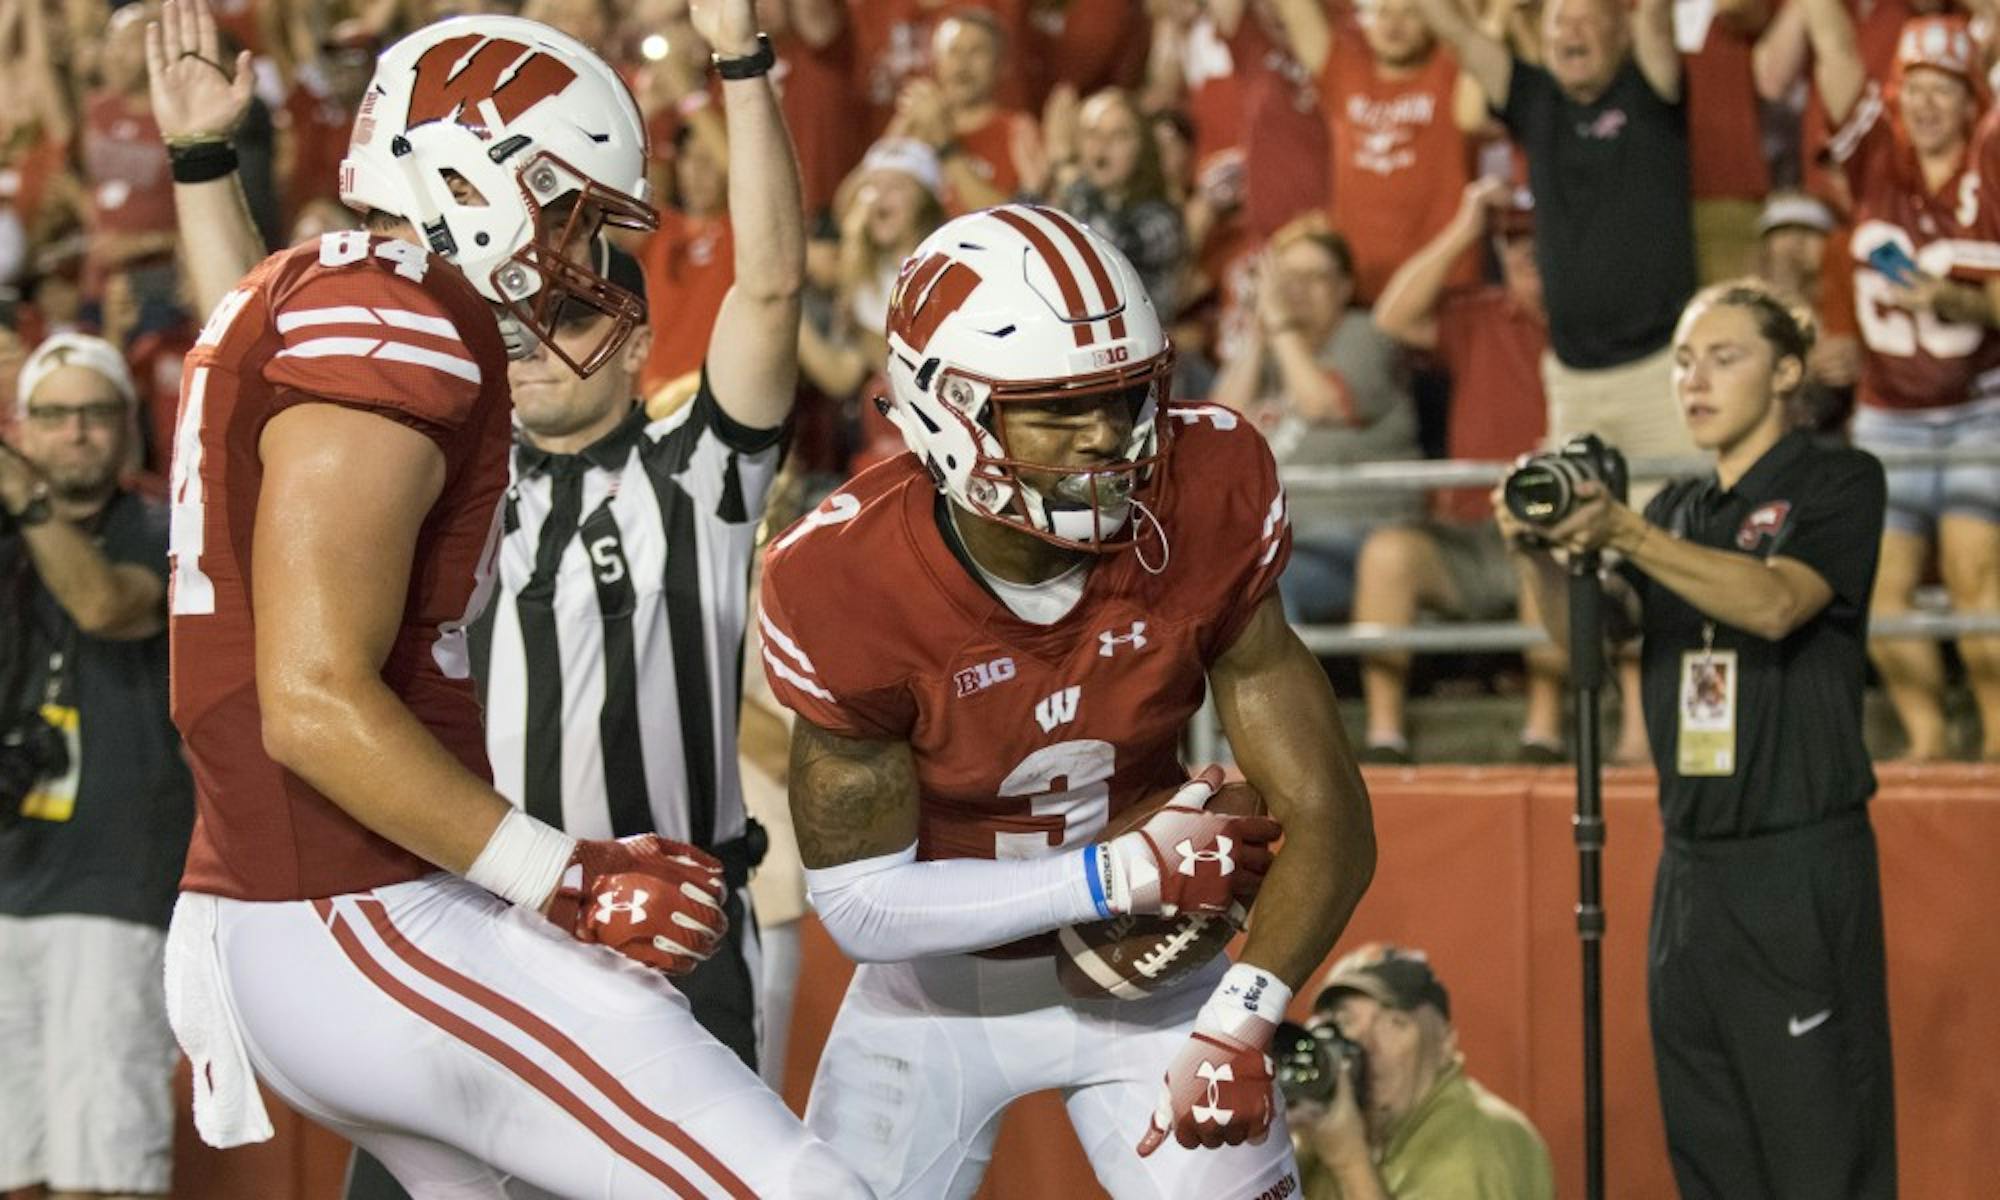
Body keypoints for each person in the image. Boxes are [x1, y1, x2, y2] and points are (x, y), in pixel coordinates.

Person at [151, 0, 866, 1193]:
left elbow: (772, 288)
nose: (547, 320)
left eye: (581, 298)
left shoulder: (688, 469)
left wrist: (745, 64)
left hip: (621, 910)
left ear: (643, 347)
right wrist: (203, 166)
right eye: (562, 246)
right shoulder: (413, 394)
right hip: (471, 897)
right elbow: (292, 388)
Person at [760, 201, 1377, 1197]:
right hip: (935, 1000)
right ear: (942, 410)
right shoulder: (845, 578)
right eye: (1054, 407)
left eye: (1125, 397)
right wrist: (1115, 874)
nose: (1106, 438)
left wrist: (1241, 1018)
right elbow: (860, 905)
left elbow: (1325, 810)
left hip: (1161, 983)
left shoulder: (1205, 484)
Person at [1498, 280, 1895, 1199]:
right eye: (1682, 360)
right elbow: (1590, 643)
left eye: (1725, 357)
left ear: (1789, 370)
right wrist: (1533, 551)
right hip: (1691, 868)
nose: (1696, 379)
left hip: (1797, 862)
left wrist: (1627, 531)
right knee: (1710, 1149)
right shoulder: (1679, 508)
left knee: (1817, 1151)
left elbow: (1776, 602)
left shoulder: (1837, 479)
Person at [0, 333, 194, 1200]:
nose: (75, 432)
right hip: (10, 880)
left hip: (113, 890)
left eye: (95, 413)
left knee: (102, 1175)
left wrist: (26, 502)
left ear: (127, 430)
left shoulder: (163, 529)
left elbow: (105, 606)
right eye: (54, 414)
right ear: (23, 427)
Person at [1800, 4, 2000, 762]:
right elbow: (1833, 47)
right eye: (1912, 85)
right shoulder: (1875, 158)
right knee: (1879, 597)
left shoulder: (1991, 164)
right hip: (1887, 414)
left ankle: (1997, 744)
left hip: (1977, 409)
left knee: (1978, 576)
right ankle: (1927, 740)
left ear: (1971, 98)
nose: (1923, 102)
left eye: (1942, 88)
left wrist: (1954, 300)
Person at [1360, 177, 1561, 764]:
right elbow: (1391, 319)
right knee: (1388, 555)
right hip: (1467, 533)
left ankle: (1543, 735)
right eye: (1515, 242)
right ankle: (1384, 737)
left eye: (1539, 240)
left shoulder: (1596, 325)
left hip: (1544, 527)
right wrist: (1464, 228)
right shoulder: (1480, 314)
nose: (1527, 253)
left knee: (1540, 551)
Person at [1210, 219, 1424, 625]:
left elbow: (1319, 404)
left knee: (1262, 588)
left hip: (1359, 538)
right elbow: (1220, 425)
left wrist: (1279, 325)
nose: (1297, 289)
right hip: (1280, 540)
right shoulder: (1271, 354)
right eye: (1287, 277)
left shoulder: (1364, 336)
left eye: (1315, 277)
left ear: (1344, 288)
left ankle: (1287, 691)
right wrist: (1258, 331)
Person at [1290, 945, 1554, 1200]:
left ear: (1445, 1044)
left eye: (1393, 1023)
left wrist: (1349, 1162)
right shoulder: (1344, 1127)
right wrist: (1290, 1146)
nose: (1363, 1044)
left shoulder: (1478, 1141)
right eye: (1345, 1022)